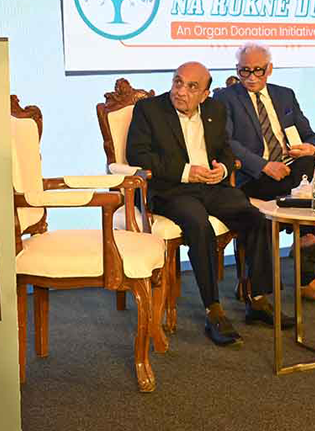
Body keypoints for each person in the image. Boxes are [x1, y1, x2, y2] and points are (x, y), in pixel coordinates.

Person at [126, 61, 294, 347]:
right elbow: (138, 156)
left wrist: (223, 170)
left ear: (204, 95)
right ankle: (213, 310)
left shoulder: (215, 109)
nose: (181, 91)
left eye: (191, 87)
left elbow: (225, 151)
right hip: (170, 190)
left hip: (210, 186)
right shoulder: (149, 109)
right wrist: (186, 172)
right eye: (178, 82)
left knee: (255, 217)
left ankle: (257, 299)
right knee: (198, 223)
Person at [214, 41, 315, 301]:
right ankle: (306, 270)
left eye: (257, 70)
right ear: (237, 70)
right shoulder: (226, 98)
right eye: (244, 71)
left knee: (309, 164)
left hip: (290, 170)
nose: (250, 77)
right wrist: (264, 165)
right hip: (253, 176)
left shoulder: (285, 95)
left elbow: (309, 134)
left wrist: (310, 147)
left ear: (269, 69)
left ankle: (305, 243)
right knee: (307, 191)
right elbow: (227, 142)